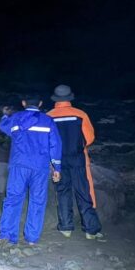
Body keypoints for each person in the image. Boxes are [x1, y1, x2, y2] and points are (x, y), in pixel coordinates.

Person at [0, 96, 62, 246]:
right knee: (37, 201)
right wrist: (56, 168)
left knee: (13, 199)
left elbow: (3, 126)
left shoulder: (16, 118)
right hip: (40, 167)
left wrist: (5, 114)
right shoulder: (48, 120)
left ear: (24, 103)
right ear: (40, 104)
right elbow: (55, 145)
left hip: (19, 165)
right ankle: (32, 238)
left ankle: (7, 235)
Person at [47, 85, 103, 239]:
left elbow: (46, 140)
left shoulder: (48, 116)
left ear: (55, 99)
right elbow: (90, 138)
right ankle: (90, 230)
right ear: (70, 98)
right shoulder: (80, 114)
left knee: (63, 191)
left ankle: (65, 227)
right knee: (84, 191)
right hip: (78, 157)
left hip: (58, 160)